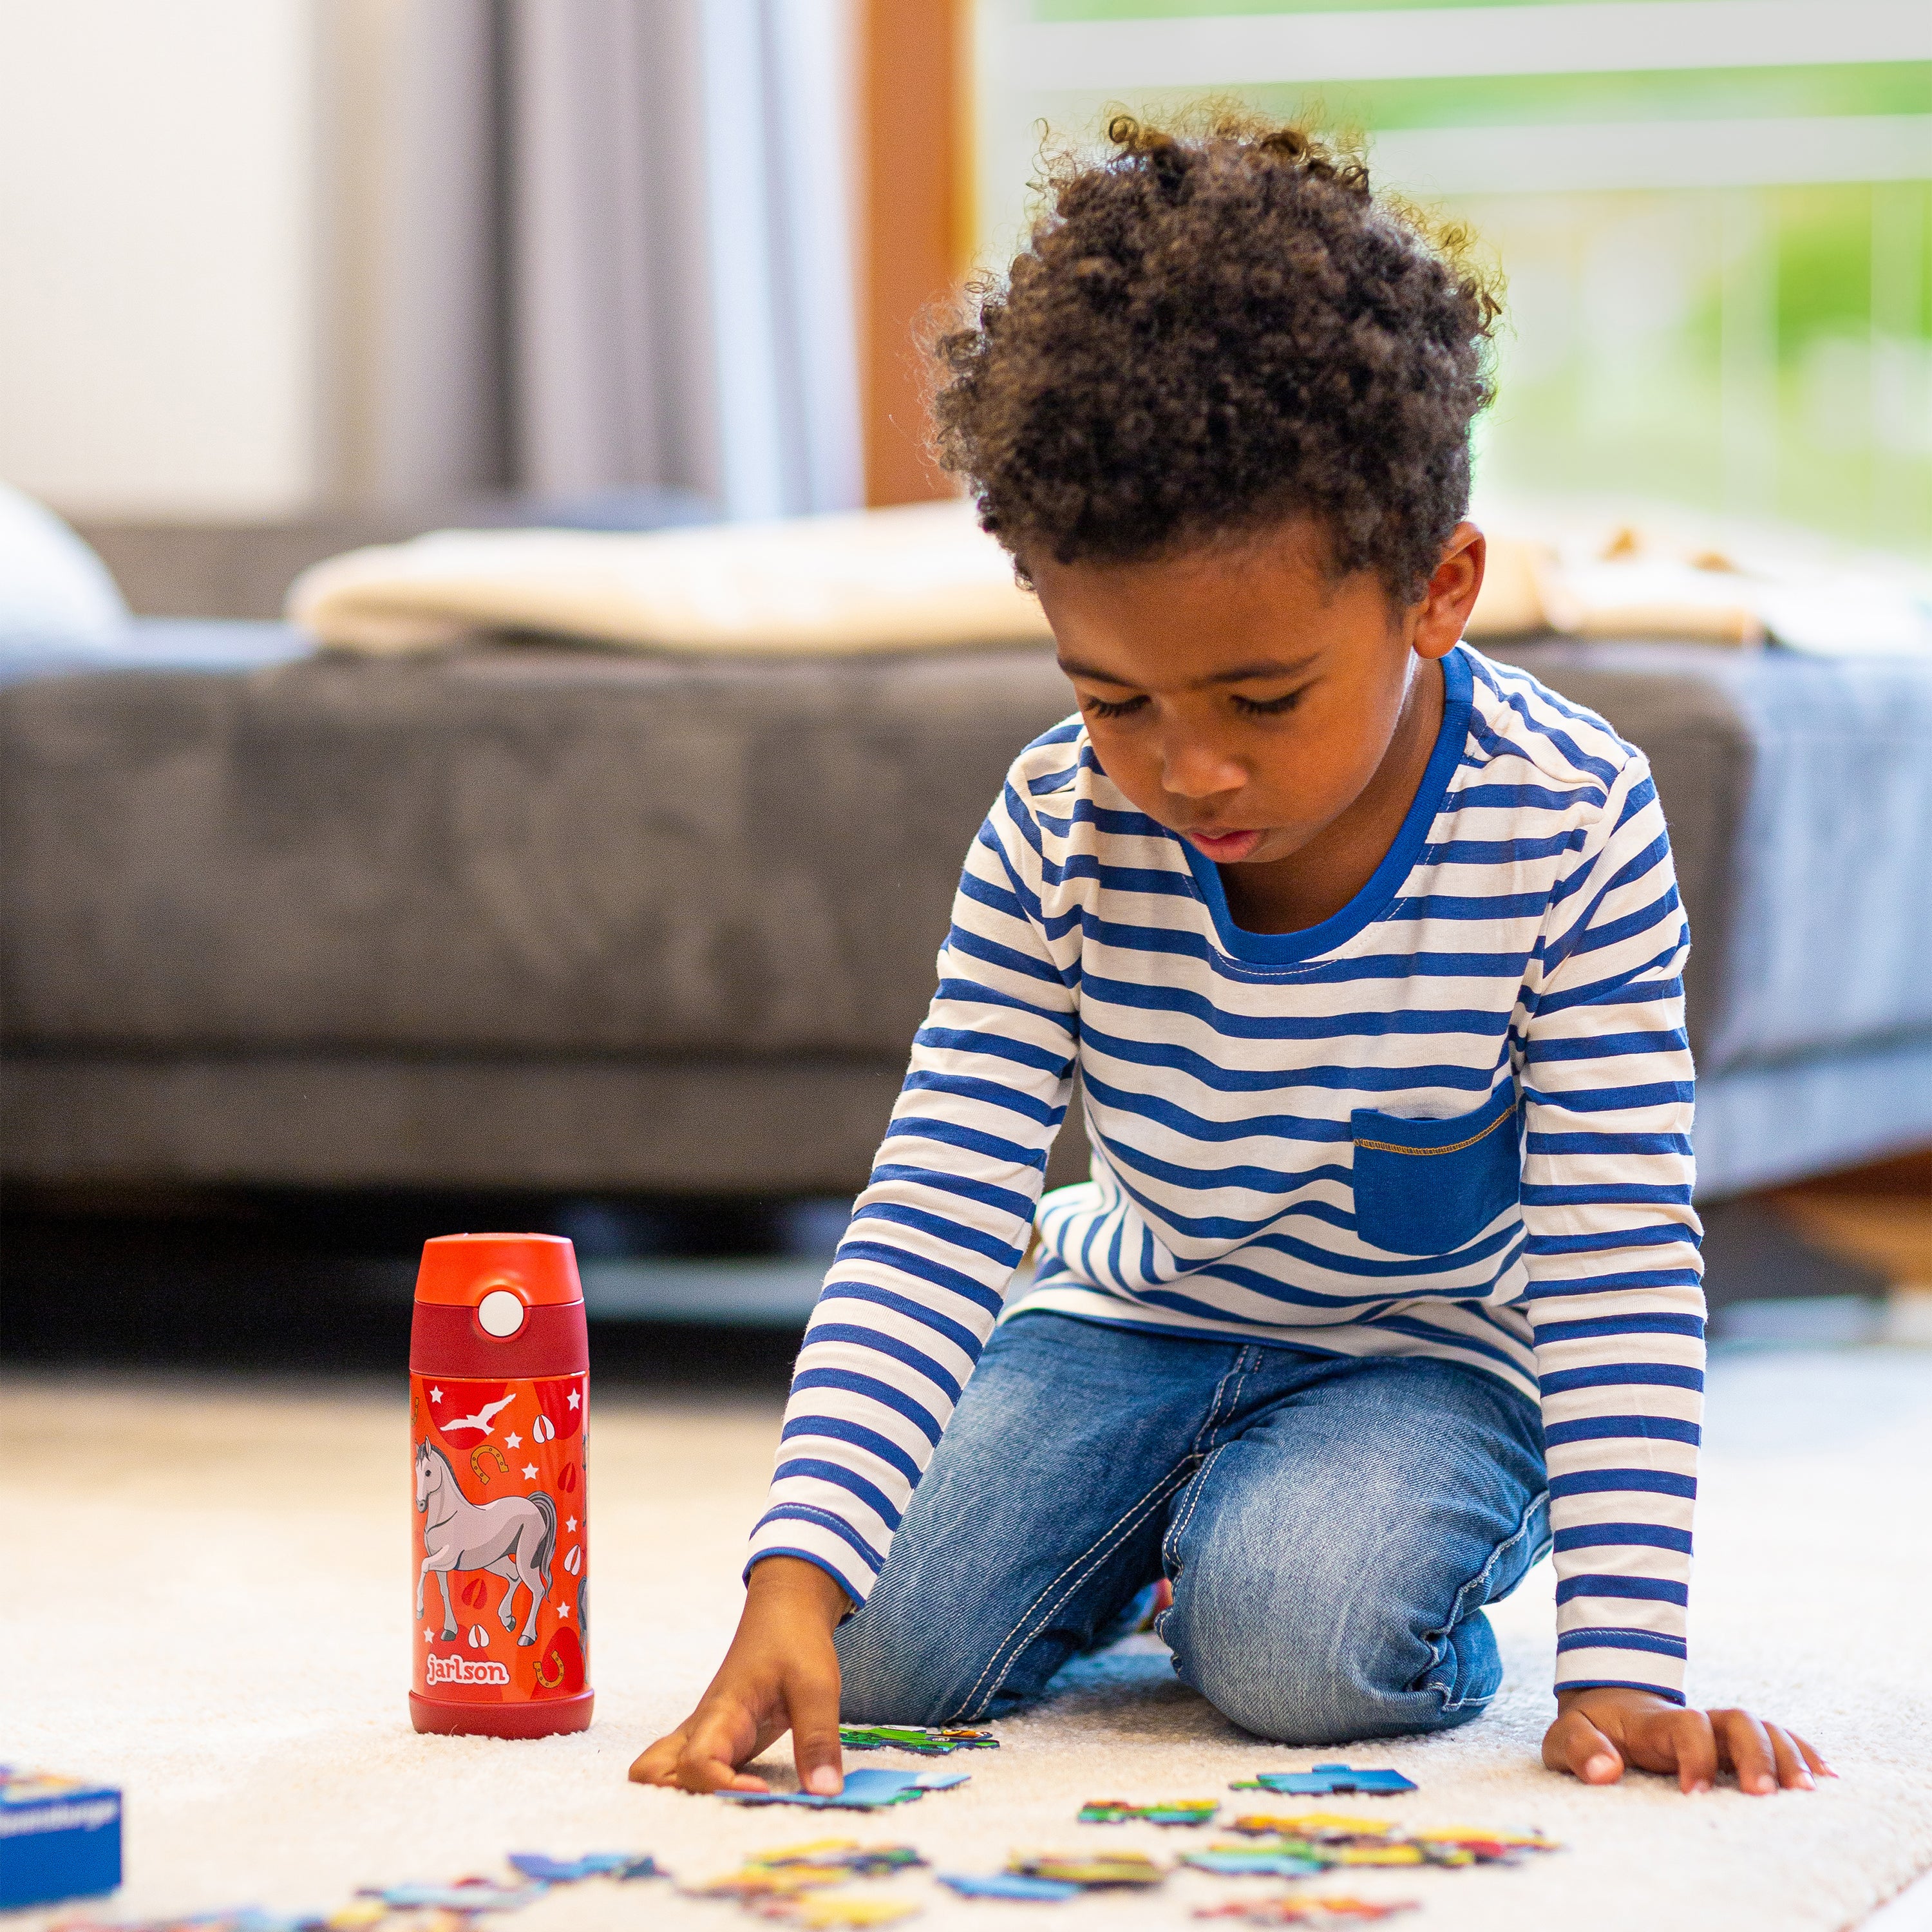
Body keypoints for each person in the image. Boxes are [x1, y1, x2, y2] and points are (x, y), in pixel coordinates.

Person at [632, 111, 1827, 1802]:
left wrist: (1626, 1664)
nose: (1186, 770)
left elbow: (1619, 1254)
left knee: (1301, 1654)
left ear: (1438, 590)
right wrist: (792, 1575)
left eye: (1263, 699)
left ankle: (1240, 1554)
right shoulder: (1059, 824)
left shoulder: (1570, 824)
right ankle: (1174, 1533)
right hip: (1132, 1315)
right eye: (1111, 695)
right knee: (881, 1655)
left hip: (1430, 1360)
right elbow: (936, 1202)